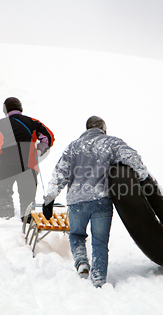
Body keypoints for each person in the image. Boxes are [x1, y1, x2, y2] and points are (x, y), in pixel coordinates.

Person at [42, 116, 148, 288]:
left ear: (87, 128)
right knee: (100, 243)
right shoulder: (111, 143)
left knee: (76, 235)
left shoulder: (73, 147)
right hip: (101, 201)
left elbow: (59, 174)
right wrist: (143, 179)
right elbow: (132, 157)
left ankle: (82, 263)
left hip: (77, 202)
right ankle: (99, 280)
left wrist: (49, 199)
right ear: (104, 130)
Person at [0, 97, 55, 220]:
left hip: (5, 165)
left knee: (4, 192)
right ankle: (27, 218)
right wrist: (39, 149)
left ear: (5, 110)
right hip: (28, 165)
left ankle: (6, 213)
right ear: (20, 108)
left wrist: (1, 152)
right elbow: (48, 137)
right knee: (27, 196)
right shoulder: (33, 122)